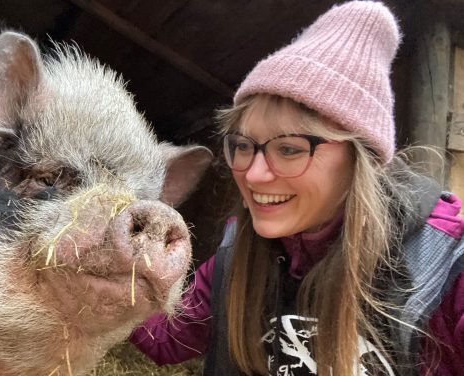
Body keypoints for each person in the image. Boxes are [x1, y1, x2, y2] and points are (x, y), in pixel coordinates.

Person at [129, 1, 464, 375]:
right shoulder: (235, 254)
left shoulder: (444, 272)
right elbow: (165, 338)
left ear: (360, 159)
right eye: (242, 146)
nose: (253, 175)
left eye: (289, 149)